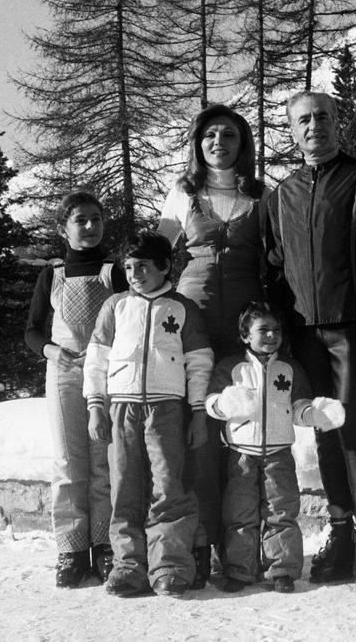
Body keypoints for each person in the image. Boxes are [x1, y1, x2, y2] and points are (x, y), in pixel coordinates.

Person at [264, 91, 356, 592]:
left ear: (337, 122)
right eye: (303, 120)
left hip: (354, 325)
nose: (314, 126)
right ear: (291, 130)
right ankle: (342, 530)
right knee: (323, 431)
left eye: (323, 117)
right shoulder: (278, 195)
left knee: (351, 425)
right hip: (303, 333)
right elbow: (273, 270)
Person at [157, 104, 265, 588]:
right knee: (198, 430)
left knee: (243, 432)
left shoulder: (263, 195)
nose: (219, 142)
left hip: (245, 321)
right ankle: (198, 546)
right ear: (198, 144)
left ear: (242, 145)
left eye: (229, 135)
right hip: (193, 318)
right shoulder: (183, 193)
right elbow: (155, 252)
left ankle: (240, 549)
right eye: (210, 135)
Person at [83, 230, 213, 598]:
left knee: (168, 486)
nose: (134, 274)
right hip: (121, 408)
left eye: (142, 266)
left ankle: (169, 566)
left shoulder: (182, 308)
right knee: (124, 487)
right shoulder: (116, 307)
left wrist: (199, 412)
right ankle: (128, 566)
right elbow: (96, 360)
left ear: (165, 266)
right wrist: (95, 406)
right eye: (128, 267)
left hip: (167, 410)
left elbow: (199, 363)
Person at [205, 301, 346, 594]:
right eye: (263, 330)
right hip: (240, 454)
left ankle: (281, 569)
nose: (271, 335)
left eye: (276, 330)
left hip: (279, 454)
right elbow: (211, 403)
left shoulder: (290, 367)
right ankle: (239, 570)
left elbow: (299, 406)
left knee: (280, 511)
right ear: (245, 335)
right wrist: (225, 403)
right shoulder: (232, 367)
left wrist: (316, 414)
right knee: (239, 513)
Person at [24, 191, 127, 588]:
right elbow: (32, 330)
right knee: (69, 460)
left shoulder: (114, 270)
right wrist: (52, 351)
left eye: (96, 219)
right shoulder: (52, 274)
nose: (90, 226)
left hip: (106, 373)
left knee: (103, 459)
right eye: (80, 219)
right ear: (62, 227)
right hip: (64, 374)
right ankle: (70, 548)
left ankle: (103, 544)